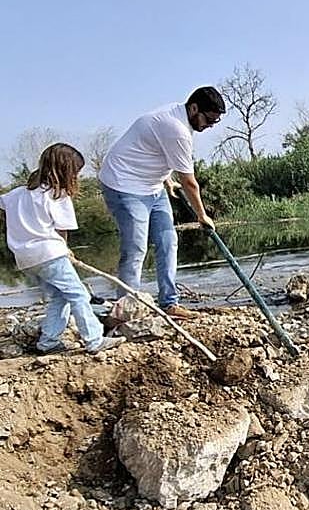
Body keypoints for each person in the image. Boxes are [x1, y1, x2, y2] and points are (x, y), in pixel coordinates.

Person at [99, 87, 225, 320]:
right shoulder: (176, 129)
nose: (209, 126)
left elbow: (153, 148)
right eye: (208, 120)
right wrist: (201, 215)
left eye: (214, 122)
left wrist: (166, 180)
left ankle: (169, 303)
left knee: (168, 241)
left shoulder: (179, 117)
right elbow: (189, 183)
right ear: (194, 108)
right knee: (136, 248)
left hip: (152, 186)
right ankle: (124, 310)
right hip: (123, 184)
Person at [0, 144, 124, 355]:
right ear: (67, 171)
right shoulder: (58, 195)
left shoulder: (16, 194)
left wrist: (19, 227)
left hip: (25, 258)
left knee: (60, 296)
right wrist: (65, 249)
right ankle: (94, 340)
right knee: (78, 295)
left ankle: (48, 342)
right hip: (50, 253)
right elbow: (62, 231)